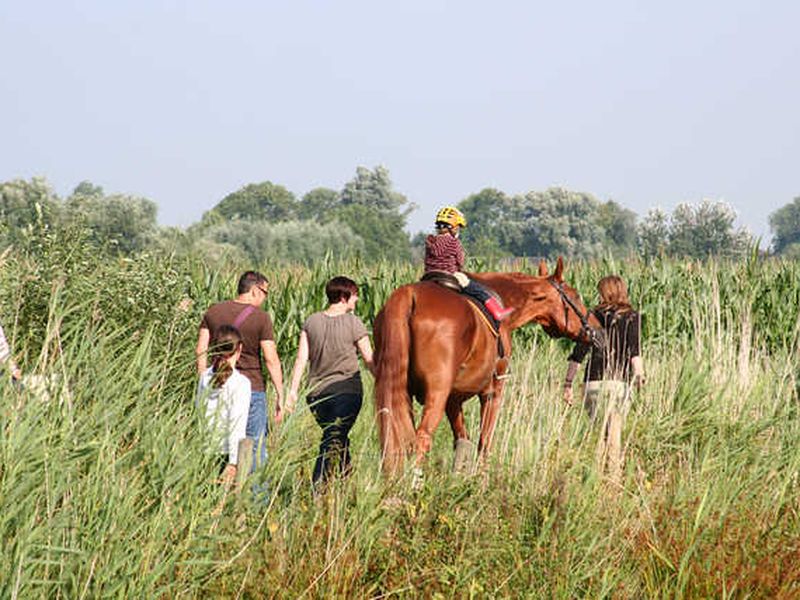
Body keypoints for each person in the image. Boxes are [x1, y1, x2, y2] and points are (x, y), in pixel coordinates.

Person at [286, 276, 375, 490]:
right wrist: (384, 383)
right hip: (347, 392)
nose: (356, 300)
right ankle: (318, 487)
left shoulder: (311, 321)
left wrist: (293, 391)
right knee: (333, 438)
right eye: (354, 295)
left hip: (316, 395)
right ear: (344, 297)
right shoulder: (354, 322)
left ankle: (346, 483)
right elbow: (369, 358)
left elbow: (301, 359)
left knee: (336, 435)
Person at [196, 271, 284, 484]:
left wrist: (205, 382)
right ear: (255, 290)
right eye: (265, 293)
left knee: (217, 443)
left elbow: (200, 350)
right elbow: (270, 358)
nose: (264, 299)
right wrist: (280, 393)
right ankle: (254, 502)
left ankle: (215, 497)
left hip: (215, 385)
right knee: (254, 447)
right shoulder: (260, 318)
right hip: (252, 388)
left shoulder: (213, 312)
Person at [562, 275, 645, 484]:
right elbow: (635, 352)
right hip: (618, 383)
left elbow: (578, 353)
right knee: (614, 434)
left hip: (593, 382)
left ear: (604, 292)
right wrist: (640, 377)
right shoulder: (632, 316)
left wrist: (568, 384)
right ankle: (614, 483)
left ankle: (594, 483)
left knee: (598, 435)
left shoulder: (592, 316)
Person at [424, 206, 513, 321]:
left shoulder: (430, 241)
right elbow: (460, 262)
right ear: (452, 227)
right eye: (458, 227)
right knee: (479, 290)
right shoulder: (454, 242)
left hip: (430, 275)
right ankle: (498, 312)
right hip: (449, 275)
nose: (458, 230)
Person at [196, 325, 251, 487]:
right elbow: (237, 424)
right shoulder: (241, 383)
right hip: (227, 453)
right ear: (239, 348)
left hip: (204, 449)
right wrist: (234, 462)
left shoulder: (204, 377)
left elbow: (200, 412)